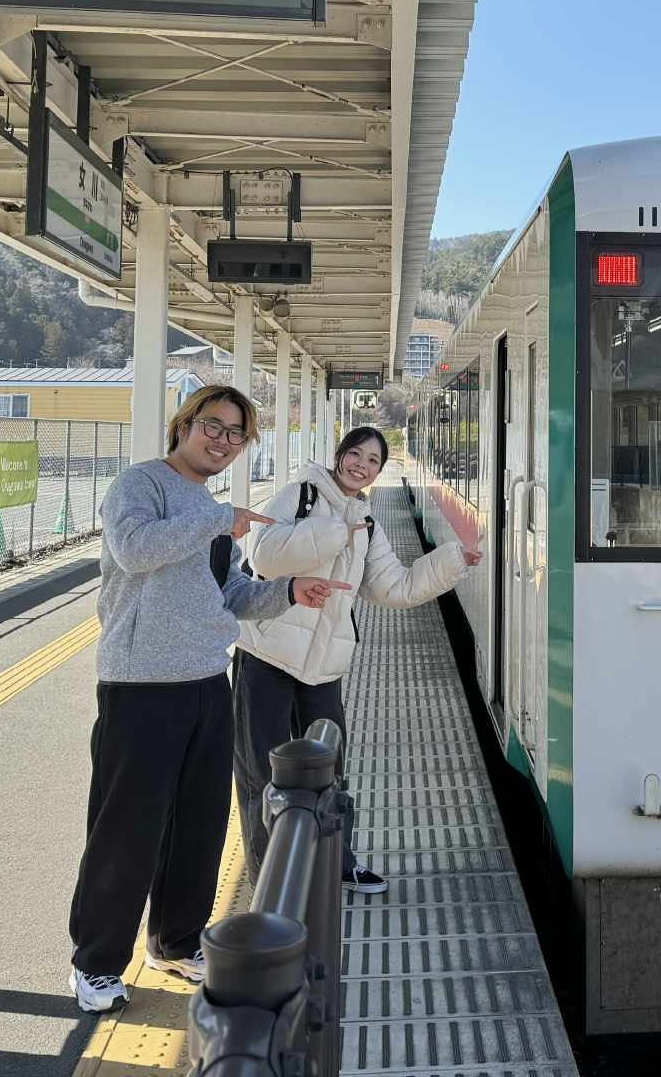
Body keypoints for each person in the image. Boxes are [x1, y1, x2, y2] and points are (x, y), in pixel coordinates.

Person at [67, 385, 351, 1015]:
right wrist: (220, 518)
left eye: (234, 434)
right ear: (184, 425)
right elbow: (135, 552)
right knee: (127, 829)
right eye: (213, 427)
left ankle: (176, 940)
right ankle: (96, 963)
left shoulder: (211, 509)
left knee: (198, 824)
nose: (221, 441)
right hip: (140, 685)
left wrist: (288, 591)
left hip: (205, 682)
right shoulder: (139, 487)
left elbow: (230, 595)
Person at [231, 426, 479, 895]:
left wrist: (452, 562)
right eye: (356, 454)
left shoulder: (368, 521)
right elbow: (264, 558)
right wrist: (333, 532)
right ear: (339, 455)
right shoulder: (299, 494)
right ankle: (270, 881)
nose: (361, 465)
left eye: (372, 461)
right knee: (260, 773)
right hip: (264, 654)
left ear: (378, 472)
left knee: (330, 770)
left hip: (323, 665)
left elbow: (394, 587)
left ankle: (335, 863)